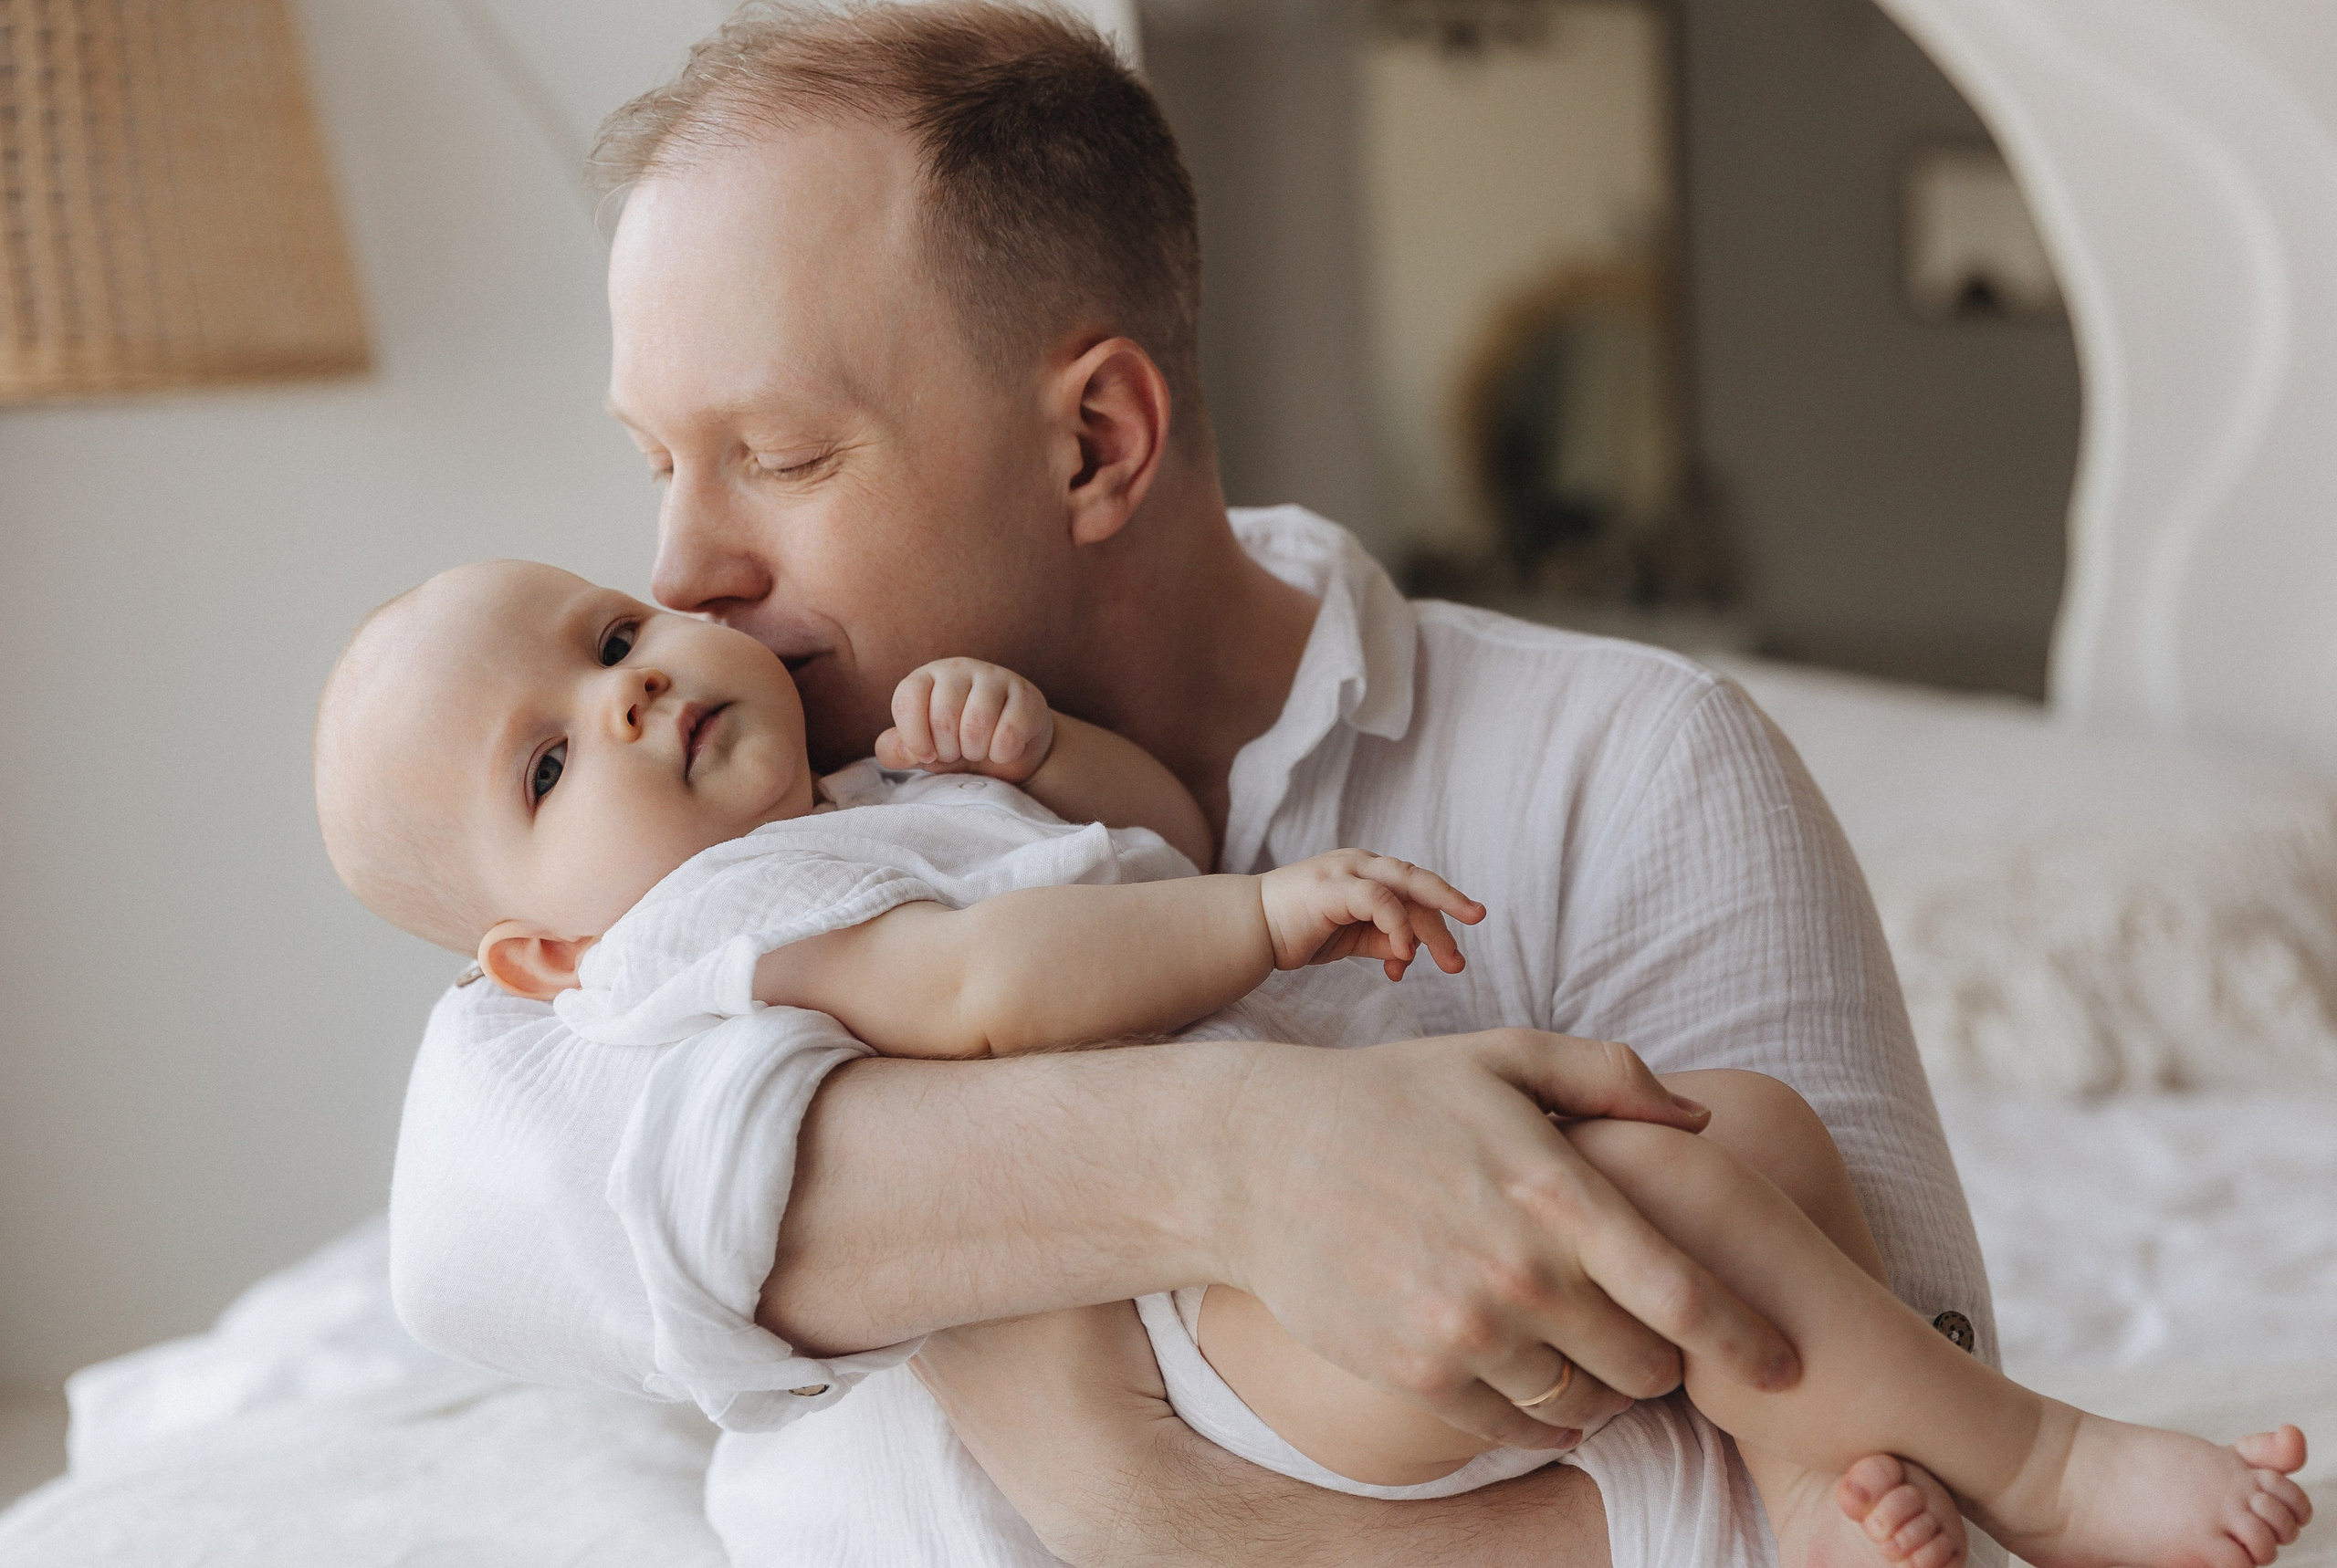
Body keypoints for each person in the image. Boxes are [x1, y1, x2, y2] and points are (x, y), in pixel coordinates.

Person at [387, 4, 2012, 1562]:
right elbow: (461, 1239)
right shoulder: (674, 849)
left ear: (1095, 441)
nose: (681, 571)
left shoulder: (1636, 766)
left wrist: (1163, 1513)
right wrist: (1242, 1155)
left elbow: (1923, 1472)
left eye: (783, 455)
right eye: (658, 462)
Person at [331, 559, 2311, 1568]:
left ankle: (1804, 1477)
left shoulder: (863, 804)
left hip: (1322, 1249)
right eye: (547, 761)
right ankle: (2044, 1464)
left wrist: (1035, 756)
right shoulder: (712, 933)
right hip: (1231, 1325)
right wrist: (1263, 918)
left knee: (1758, 1133)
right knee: (1669, 1188)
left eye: (612, 635)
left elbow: (1132, 845)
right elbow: (1003, 981)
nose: (635, 682)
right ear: (543, 956)